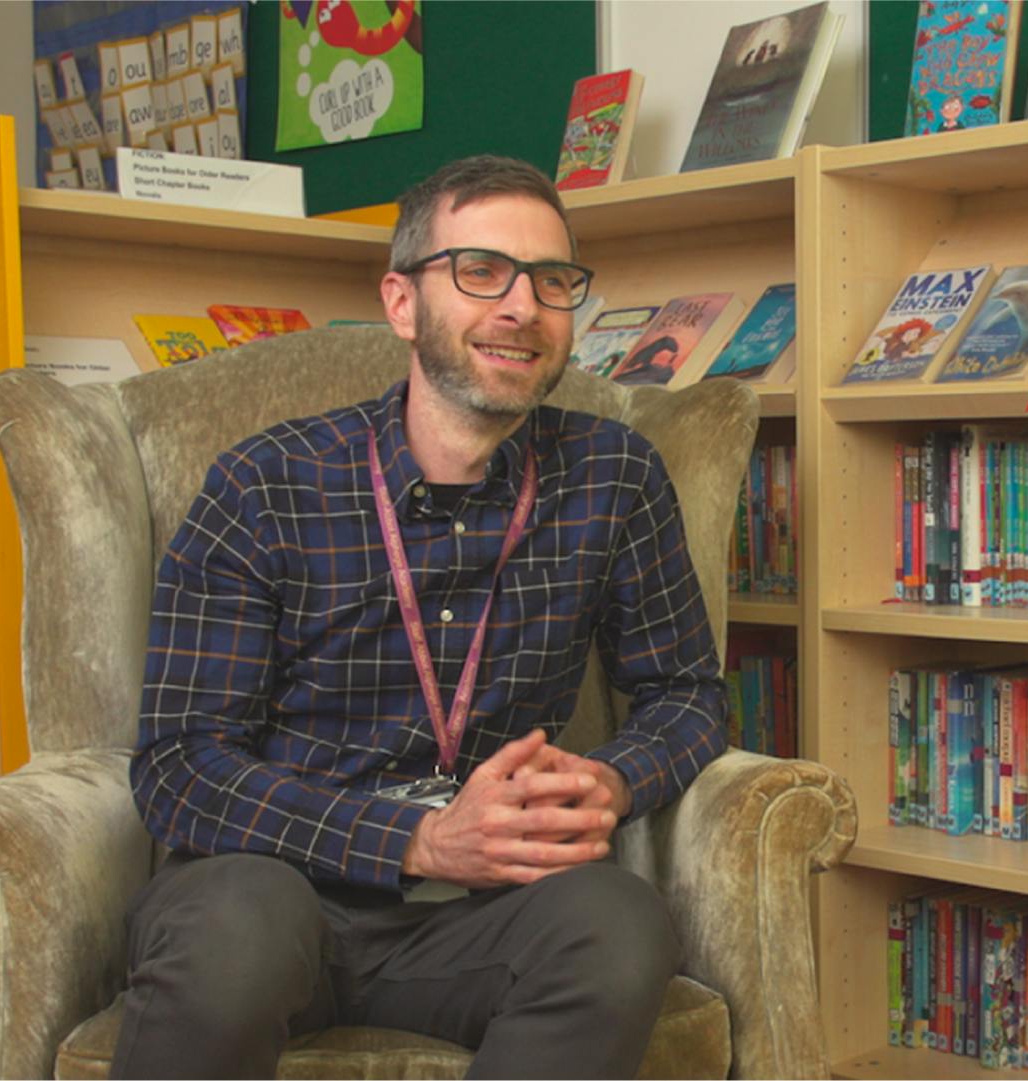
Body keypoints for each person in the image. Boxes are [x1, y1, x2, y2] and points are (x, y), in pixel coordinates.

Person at [116, 155, 728, 1080]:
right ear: (402, 303)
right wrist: (414, 838)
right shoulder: (264, 483)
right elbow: (179, 768)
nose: (522, 306)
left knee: (618, 921)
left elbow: (685, 692)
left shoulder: (616, 475)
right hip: (273, 896)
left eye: (552, 281)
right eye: (481, 271)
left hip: (481, 917)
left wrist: (610, 781)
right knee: (235, 929)